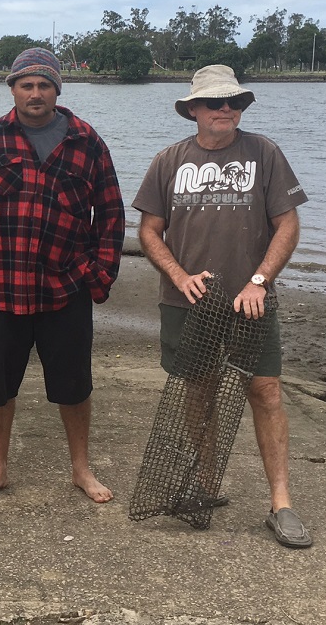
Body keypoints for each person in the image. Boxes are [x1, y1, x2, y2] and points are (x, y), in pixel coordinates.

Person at [0, 47, 125, 504]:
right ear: (13, 89)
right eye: (26, 85)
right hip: (3, 288)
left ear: (58, 88)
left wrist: (101, 276)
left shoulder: (87, 141)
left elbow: (111, 214)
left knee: (75, 385)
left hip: (68, 286)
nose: (35, 93)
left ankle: (81, 468)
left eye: (44, 85)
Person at [132, 64, 311, 548]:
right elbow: (149, 231)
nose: (226, 109)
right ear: (193, 109)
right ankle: (205, 483)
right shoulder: (168, 161)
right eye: (215, 102)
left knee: (266, 391)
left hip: (250, 300)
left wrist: (259, 280)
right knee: (198, 391)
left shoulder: (265, 153)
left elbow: (288, 225)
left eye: (234, 101)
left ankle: (282, 504)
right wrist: (178, 275)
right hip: (187, 301)